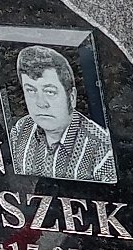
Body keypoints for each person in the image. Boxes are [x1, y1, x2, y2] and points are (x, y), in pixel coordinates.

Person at [8, 44, 116, 183]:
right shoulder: (21, 130)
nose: (40, 103)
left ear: (71, 97)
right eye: (31, 90)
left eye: (50, 92)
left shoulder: (102, 150)